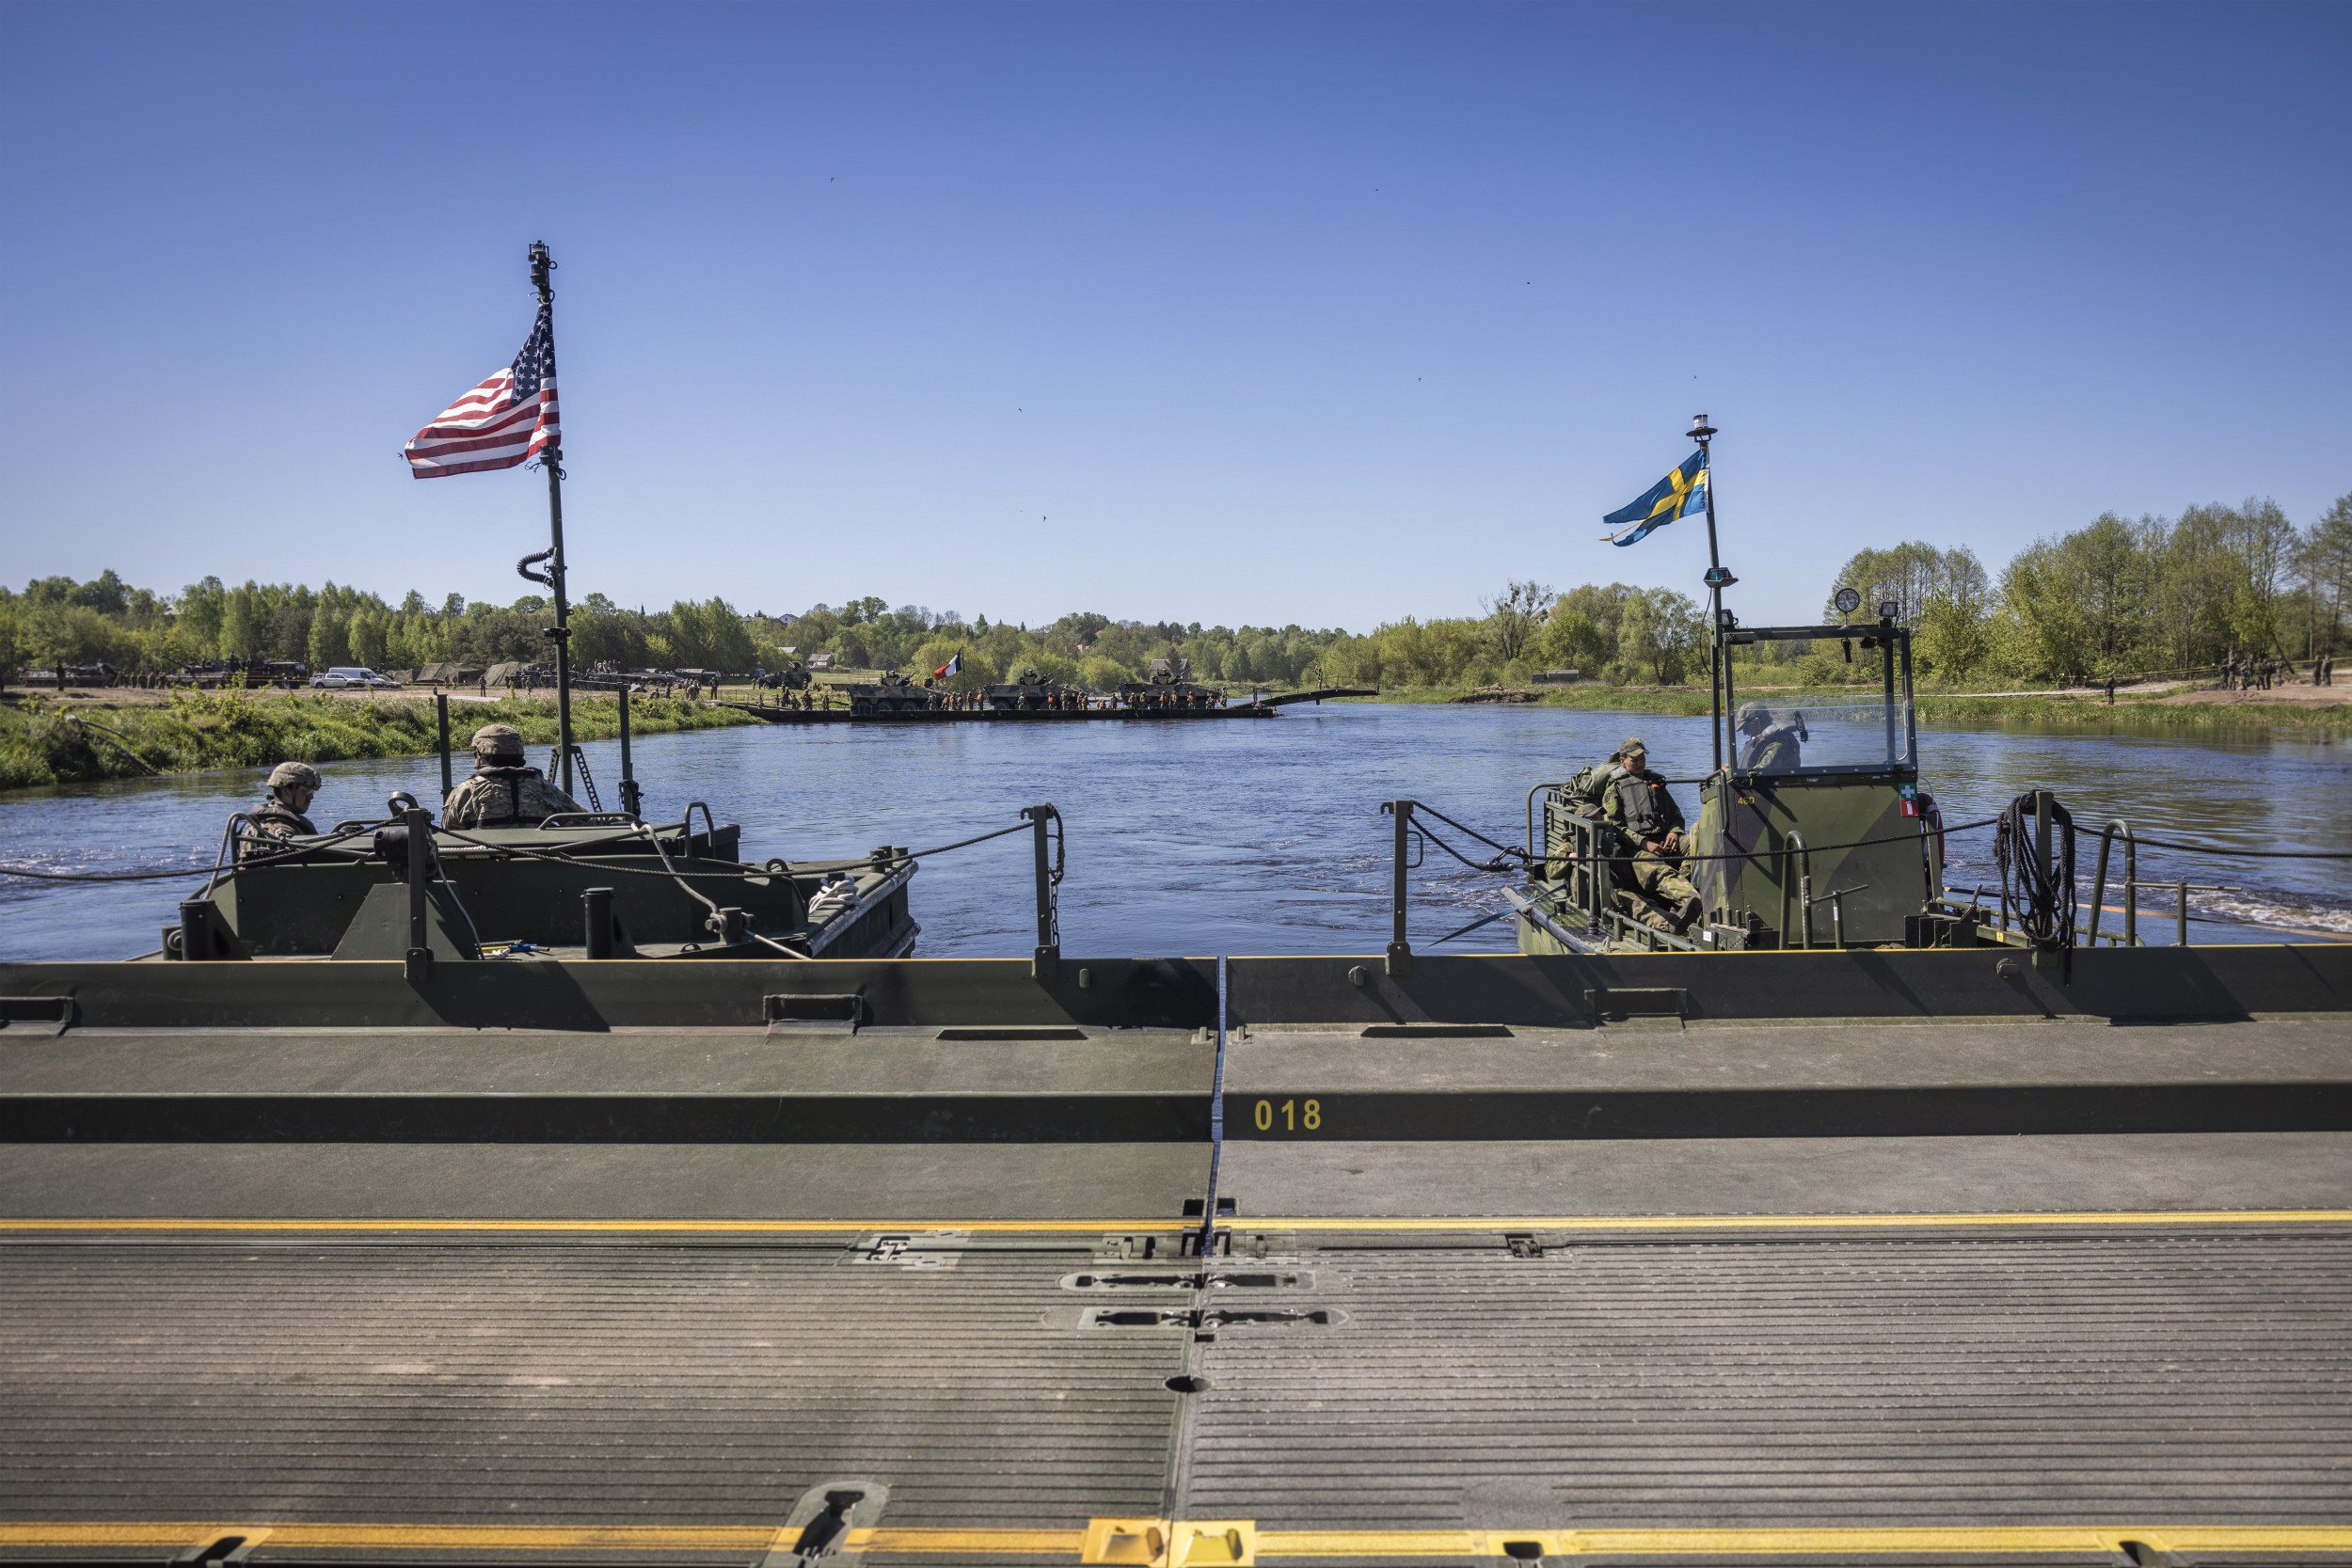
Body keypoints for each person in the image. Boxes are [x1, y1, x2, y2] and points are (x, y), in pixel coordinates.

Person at [1602, 736, 1705, 934]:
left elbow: (1676, 816)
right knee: (1660, 871)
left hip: (1665, 840)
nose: (1640, 763)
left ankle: (1685, 895)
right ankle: (1697, 903)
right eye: (1634, 760)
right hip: (1636, 851)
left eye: (1642, 758)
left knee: (1699, 837)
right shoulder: (1615, 787)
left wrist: (1675, 833)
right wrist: (1643, 843)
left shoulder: (1656, 783)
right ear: (1623, 760)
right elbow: (1614, 826)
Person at [440, 724, 583, 829]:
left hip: (484, 866)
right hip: (536, 864)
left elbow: (449, 831)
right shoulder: (543, 787)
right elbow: (582, 821)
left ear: (481, 754)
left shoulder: (467, 790)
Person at [242, 762, 323, 859]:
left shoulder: (287, 822)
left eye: (312, 791)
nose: (311, 797)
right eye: (307, 791)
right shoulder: (278, 829)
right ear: (285, 791)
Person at [1732, 701, 1804, 773]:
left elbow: (1760, 773)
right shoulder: (1763, 740)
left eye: (1746, 727)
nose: (1745, 732)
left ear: (1757, 722)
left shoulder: (1777, 743)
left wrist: (1729, 772)